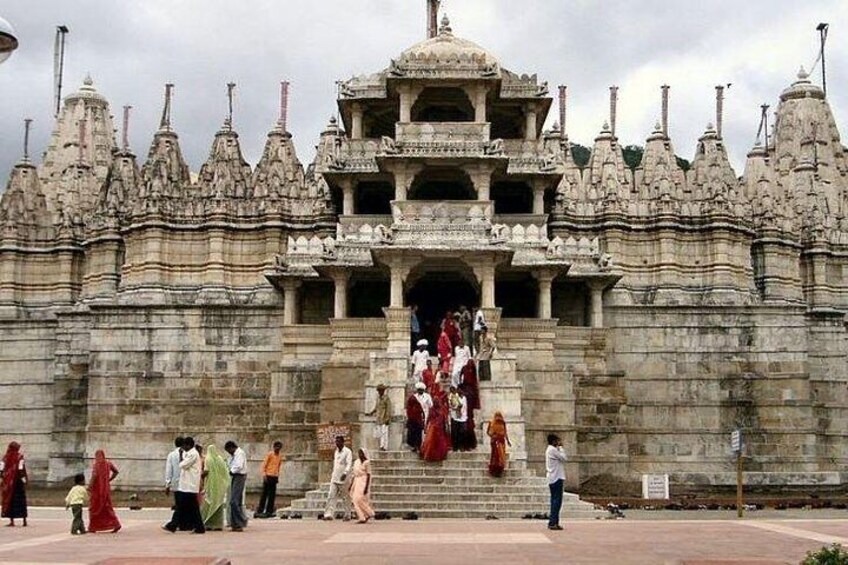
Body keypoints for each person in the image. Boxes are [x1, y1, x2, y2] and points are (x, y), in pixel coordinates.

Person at [164, 437, 205, 534]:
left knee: (180, 506)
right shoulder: (190, 453)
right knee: (193, 508)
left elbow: (182, 465)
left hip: (189, 486)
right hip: (186, 485)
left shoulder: (193, 454)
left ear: (189, 445)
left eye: (184, 446)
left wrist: (182, 457)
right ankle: (199, 527)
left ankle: (173, 525)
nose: (183, 448)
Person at [88, 450, 121, 533]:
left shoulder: (97, 465)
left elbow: (94, 475)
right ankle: (116, 524)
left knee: (94, 508)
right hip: (106, 490)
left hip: (97, 490)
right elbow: (116, 472)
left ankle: (93, 527)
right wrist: (109, 480)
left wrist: (89, 486)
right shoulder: (108, 464)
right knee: (107, 508)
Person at [323, 436, 353, 521]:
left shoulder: (348, 452)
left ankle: (347, 514)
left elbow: (349, 463)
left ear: (343, 442)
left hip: (344, 478)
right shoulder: (336, 452)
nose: (337, 444)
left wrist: (345, 473)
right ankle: (329, 514)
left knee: (345, 497)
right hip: (335, 477)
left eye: (339, 442)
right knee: (331, 495)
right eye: (336, 442)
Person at [200, 445, 230, 531]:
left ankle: (208, 523)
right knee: (218, 503)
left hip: (211, 485)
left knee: (208, 503)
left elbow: (206, 471)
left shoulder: (208, 459)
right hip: (219, 485)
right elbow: (225, 471)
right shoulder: (220, 459)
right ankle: (218, 524)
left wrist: (201, 476)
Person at [1, 441, 27, 527]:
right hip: (18, 482)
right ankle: (24, 520)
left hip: (8, 483)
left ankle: (12, 521)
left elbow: (1, 470)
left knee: (10, 500)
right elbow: (21, 470)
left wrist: (3, 479)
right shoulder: (20, 457)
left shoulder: (5, 457)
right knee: (21, 500)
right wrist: (24, 480)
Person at [224, 440, 249, 531]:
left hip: (239, 476)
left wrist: (231, 471)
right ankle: (235, 524)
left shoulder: (239, 453)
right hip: (235, 476)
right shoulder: (235, 455)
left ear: (231, 448)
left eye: (229, 451)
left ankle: (240, 522)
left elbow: (238, 466)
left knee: (234, 501)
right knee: (235, 501)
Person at [256, 441, 284, 518]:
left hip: (274, 477)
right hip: (268, 476)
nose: (277, 449)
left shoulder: (280, 457)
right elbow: (264, 465)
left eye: (279, 447)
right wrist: (264, 475)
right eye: (276, 447)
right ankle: (260, 510)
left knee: (272, 495)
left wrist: (277, 476)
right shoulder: (270, 454)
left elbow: (278, 467)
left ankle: (269, 510)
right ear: (274, 447)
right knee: (264, 494)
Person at [545, 434, 567, 531]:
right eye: (557, 441)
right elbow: (564, 458)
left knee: (555, 501)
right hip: (556, 477)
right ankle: (553, 522)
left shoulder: (551, 450)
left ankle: (555, 522)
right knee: (556, 501)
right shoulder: (552, 450)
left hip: (554, 477)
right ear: (553, 441)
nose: (558, 442)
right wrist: (561, 448)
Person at [420, 394, 450, 462]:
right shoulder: (431, 409)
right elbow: (428, 418)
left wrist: (447, 427)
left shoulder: (442, 409)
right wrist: (425, 427)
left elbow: (445, 419)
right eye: (434, 402)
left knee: (440, 443)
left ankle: (440, 455)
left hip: (440, 428)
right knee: (430, 442)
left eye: (436, 401)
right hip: (433, 428)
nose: (436, 403)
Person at [349, 448, 375, 524]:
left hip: (363, 481)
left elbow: (369, 474)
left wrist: (366, 487)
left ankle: (368, 513)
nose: (360, 455)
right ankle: (363, 516)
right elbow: (354, 474)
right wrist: (351, 484)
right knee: (354, 500)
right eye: (359, 453)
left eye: (361, 453)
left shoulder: (367, 462)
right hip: (356, 481)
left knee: (359, 499)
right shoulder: (356, 462)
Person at [367, 385, 393, 451]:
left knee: (384, 433)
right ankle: (381, 446)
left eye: (381, 391)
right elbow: (376, 407)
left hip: (384, 418)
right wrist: (371, 413)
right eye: (379, 391)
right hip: (379, 418)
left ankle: (384, 447)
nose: (379, 392)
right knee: (380, 433)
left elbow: (388, 409)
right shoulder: (378, 398)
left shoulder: (386, 398)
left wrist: (387, 419)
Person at [405, 383, 429, 452]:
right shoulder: (413, 397)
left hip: (421, 418)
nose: (420, 391)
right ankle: (414, 446)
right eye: (419, 390)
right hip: (413, 420)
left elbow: (429, 406)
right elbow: (409, 408)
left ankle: (421, 446)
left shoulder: (427, 396)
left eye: (421, 390)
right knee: (413, 434)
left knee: (420, 434)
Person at [486, 411, 511, 477]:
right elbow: (488, 432)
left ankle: (499, 470)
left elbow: (505, 433)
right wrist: (493, 436)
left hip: (501, 441)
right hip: (495, 442)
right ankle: (494, 471)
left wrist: (508, 441)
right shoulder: (491, 423)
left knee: (500, 456)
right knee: (495, 456)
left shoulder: (503, 423)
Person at [164, 436, 184, 514]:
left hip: (176, 482)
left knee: (178, 502)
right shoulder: (188, 454)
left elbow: (169, 470)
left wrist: (167, 484)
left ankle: (177, 521)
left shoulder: (171, 455)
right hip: (186, 483)